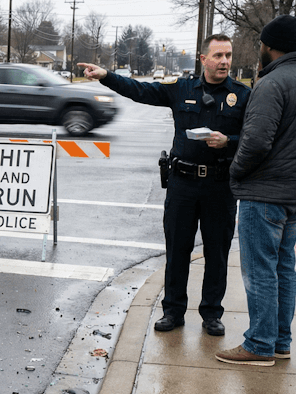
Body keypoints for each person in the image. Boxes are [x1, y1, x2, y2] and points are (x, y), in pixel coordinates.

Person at [79, 34, 250, 337]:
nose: (224, 61)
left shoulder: (242, 95)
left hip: (219, 186)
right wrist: (106, 76)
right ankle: (173, 311)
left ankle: (212, 314)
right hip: (182, 184)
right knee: (177, 250)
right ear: (203, 59)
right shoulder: (181, 89)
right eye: (218, 55)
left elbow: (252, 138)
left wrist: (228, 142)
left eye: (228, 55)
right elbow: (140, 90)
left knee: (217, 253)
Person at [215, 15, 296, 366]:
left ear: (268, 46)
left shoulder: (271, 84)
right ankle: (280, 341)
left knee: (260, 270)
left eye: (262, 44)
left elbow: (256, 143)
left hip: (264, 195)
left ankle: (259, 345)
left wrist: (236, 172)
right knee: (284, 268)